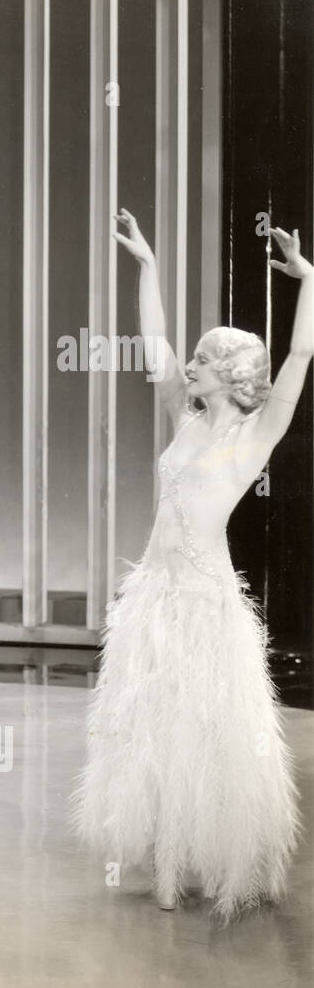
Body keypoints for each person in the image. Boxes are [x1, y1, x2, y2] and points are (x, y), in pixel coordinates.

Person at [73, 209, 307, 919]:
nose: (191, 363)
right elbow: (155, 342)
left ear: (233, 374)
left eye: (206, 358)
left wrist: (311, 280)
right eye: (196, 356)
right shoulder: (184, 415)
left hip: (207, 602)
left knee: (210, 728)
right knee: (156, 728)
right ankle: (171, 862)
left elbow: (298, 361)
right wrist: (147, 266)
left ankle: (223, 854)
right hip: (153, 598)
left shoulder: (254, 438)